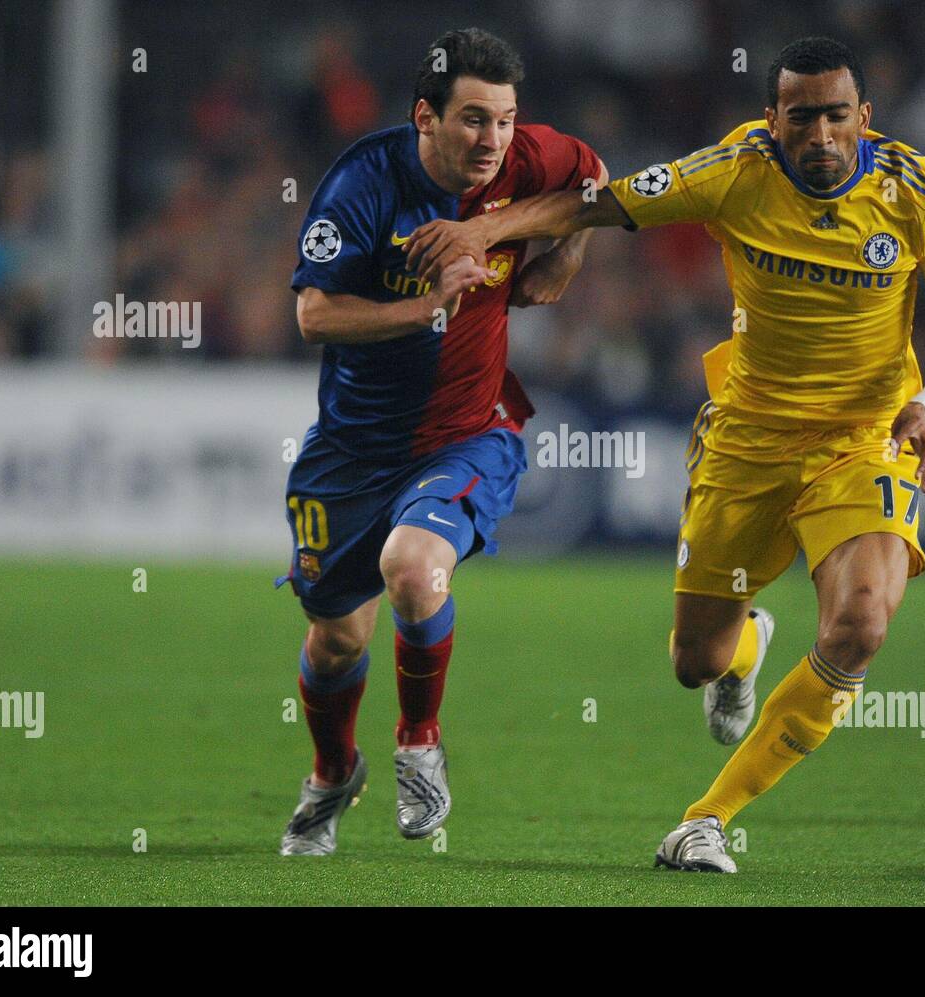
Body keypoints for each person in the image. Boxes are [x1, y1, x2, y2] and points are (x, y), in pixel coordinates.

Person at [403, 36, 925, 872]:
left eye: (835, 117)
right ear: (771, 119)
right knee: (694, 661)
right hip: (747, 441)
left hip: (867, 440)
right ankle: (745, 641)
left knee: (860, 627)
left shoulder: (918, 194)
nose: (819, 136)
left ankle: (705, 819)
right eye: (800, 117)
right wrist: (492, 227)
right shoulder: (729, 172)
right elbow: (595, 203)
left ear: (865, 117)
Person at [278, 27, 606, 855]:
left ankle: (419, 741)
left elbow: (599, 183)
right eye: (471, 121)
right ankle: (331, 771)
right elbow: (313, 314)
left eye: (504, 120)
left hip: (469, 433)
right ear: (424, 117)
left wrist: (565, 250)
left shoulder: (525, 160)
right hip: (351, 451)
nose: (492, 141)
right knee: (336, 636)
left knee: (414, 570)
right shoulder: (362, 184)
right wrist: (424, 309)